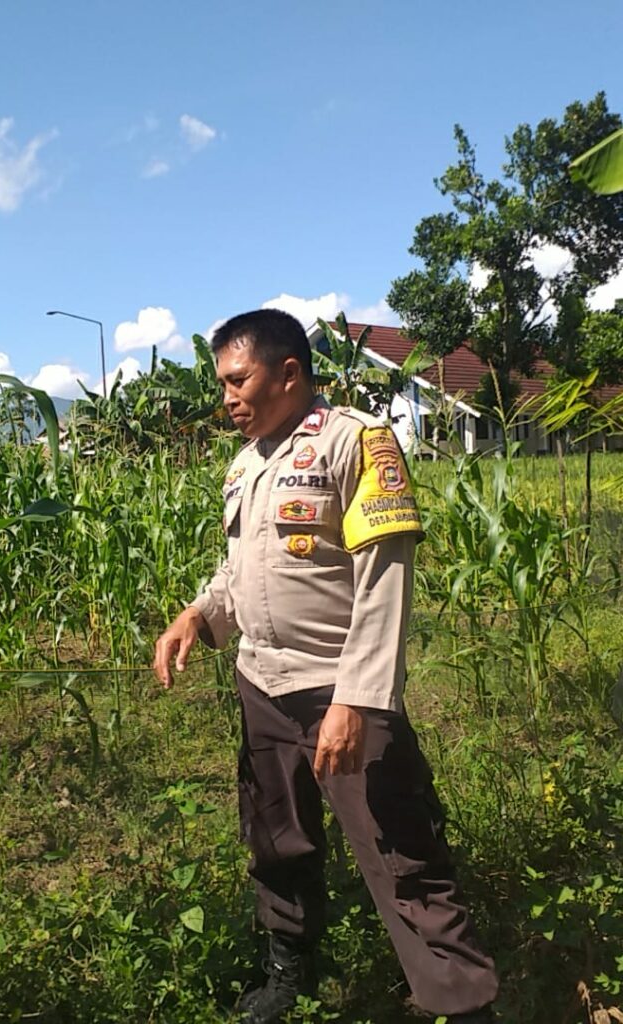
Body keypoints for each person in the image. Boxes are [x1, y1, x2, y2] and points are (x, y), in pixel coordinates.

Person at [152, 309, 498, 1023]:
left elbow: (384, 579)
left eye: (237, 380)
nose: (227, 398)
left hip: (340, 689)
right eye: (221, 384)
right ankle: (292, 972)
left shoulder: (357, 443)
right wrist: (200, 614)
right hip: (264, 686)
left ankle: (463, 1005)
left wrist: (359, 699)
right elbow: (242, 568)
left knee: (402, 856)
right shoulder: (246, 463)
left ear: (288, 372)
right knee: (276, 840)